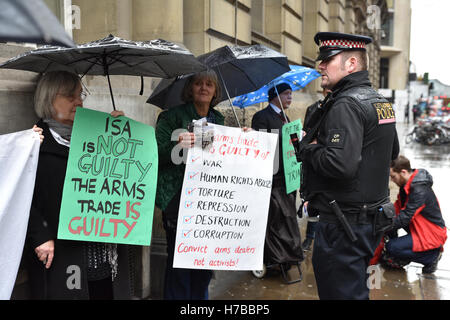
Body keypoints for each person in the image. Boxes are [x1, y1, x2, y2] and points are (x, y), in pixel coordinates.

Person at [294, 32, 399, 299]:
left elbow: (340, 165)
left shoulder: (346, 104)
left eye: (327, 59)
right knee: (353, 291)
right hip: (368, 222)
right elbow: (393, 151)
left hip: (344, 225)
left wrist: (309, 148)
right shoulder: (379, 100)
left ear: (351, 63)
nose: (320, 65)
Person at [25, 70, 131, 300]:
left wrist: (121, 137)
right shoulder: (33, 143)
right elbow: (22, 198)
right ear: (49, 100)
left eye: (80, 94)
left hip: (104, 254)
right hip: (62, 255)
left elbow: (123, 181)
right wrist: (39, 235)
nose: (78, 101)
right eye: (69, 96)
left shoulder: (99, 136)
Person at [155, 69, 225, 300]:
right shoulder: (171, 117)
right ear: (190, 88)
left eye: (209, 84)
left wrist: (243, 137)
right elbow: (156, 153)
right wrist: (178, 143)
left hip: (207, 201)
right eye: (198, 83)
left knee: (204, 261)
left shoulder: (219, 119)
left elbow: (227, 156)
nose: (204, 88)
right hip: (178, 199)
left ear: (215, 91)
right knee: (180, 263)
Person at [251, 82, 304, 274]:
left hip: (286, 180)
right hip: (271, 179)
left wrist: (298, 137)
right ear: (275, 96)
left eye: (291, 94)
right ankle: (269, 259)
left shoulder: (285, 118)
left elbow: (291, 145)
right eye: (286, 94)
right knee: (271, 221)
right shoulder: (261, 117)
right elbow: (263, 146)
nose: (290, 97)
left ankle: (283, 256)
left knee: (285, 220)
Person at [376, 156, 446, 273]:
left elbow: (405, 217)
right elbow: (397, 208)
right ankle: (400, 253)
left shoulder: (419, 190)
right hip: (420, 227)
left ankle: (432, 257)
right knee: (392, 224)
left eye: (393, 177)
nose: (392, 180)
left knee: (392, 247)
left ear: (403, 172)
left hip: (432, 233)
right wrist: (383, 217)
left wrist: (382, 228)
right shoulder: (408, 185)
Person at [300, 88, 331, 251]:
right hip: (314, 161)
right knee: (312, 203)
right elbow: (306, 133)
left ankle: (323, 240)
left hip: (329, 162)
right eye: (326, 90)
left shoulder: (341, 107)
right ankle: (309, 238)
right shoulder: (313, 108)